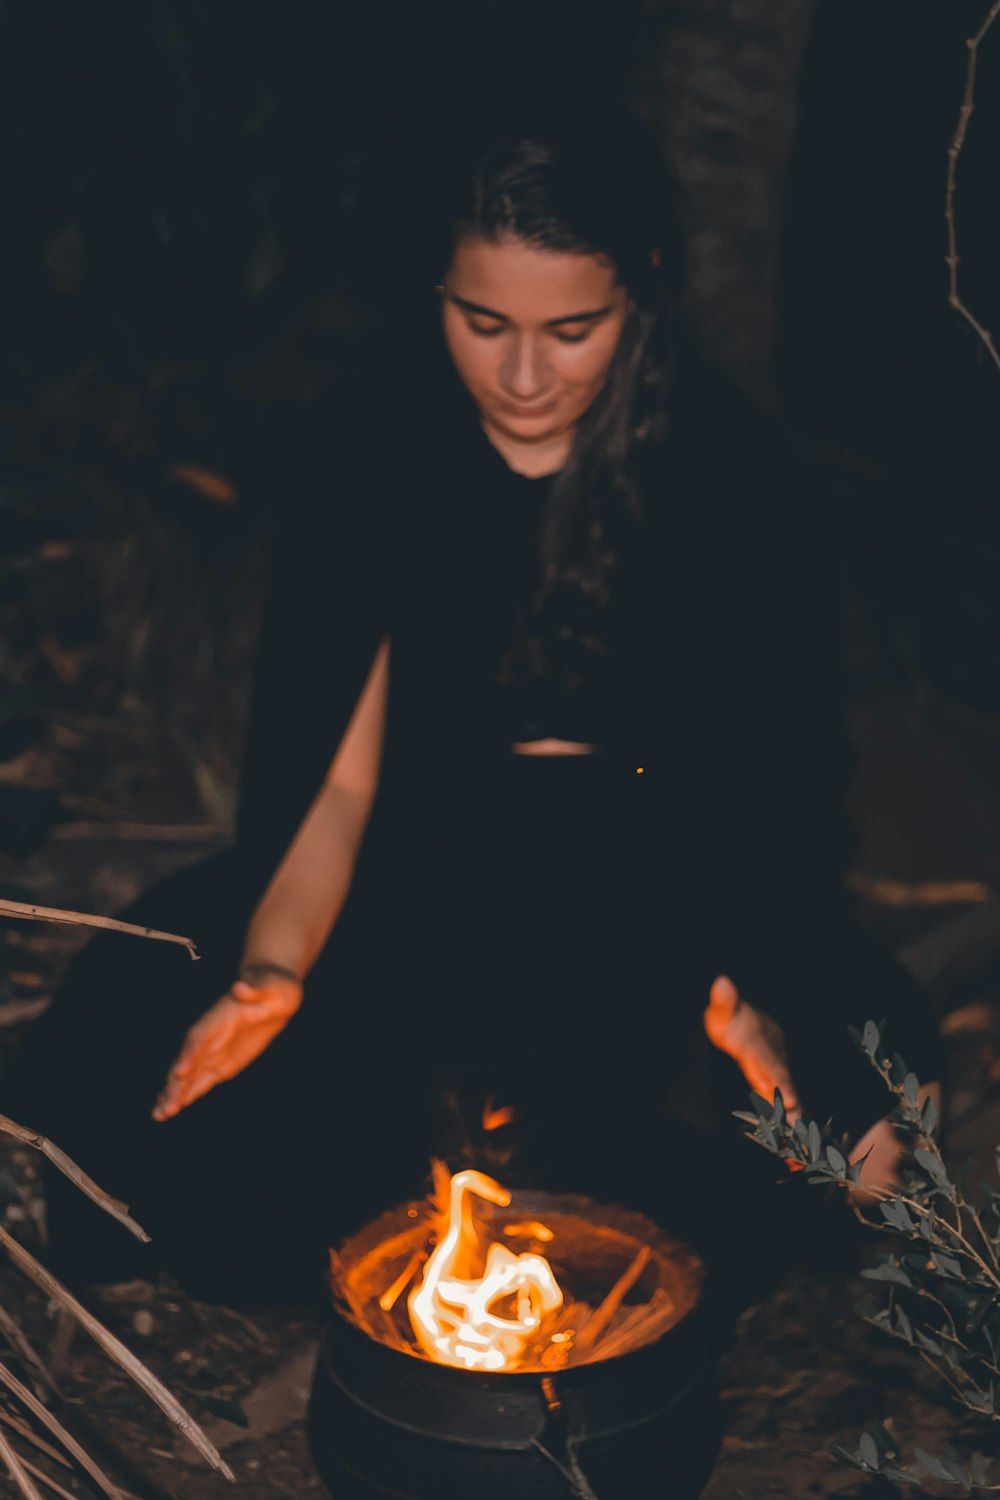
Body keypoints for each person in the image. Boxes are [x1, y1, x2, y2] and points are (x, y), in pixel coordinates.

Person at [8, 103, 939, 1310]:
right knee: (149, 1083)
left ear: (641, 293)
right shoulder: (372, 451)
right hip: (426, 865)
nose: (520, 373)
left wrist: (751, 992)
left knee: (855, 1150)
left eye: (571, 330)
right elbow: (338, 783)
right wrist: (275, 967)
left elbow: (768, 795)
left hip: (669, 887)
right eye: (481, 321)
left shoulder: (733, 475)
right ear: (436, 294)